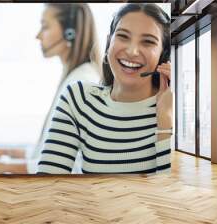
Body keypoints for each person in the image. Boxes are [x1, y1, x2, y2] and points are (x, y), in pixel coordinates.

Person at [0, 3, 101, 174]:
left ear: (69, 32)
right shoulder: (75, 77)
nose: (38, 36)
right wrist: (4, 152)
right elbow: (53, 150)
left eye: (45, 26)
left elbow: (72, 164)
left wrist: (0, 166)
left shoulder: (83, 83)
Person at [37, 3, 172, 174]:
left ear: (163, 55)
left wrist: (166, 123)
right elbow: (48, 180)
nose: (132, 51)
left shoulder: (171, 109)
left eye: (147, 42)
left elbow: (172, 192)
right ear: (109, 42)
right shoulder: (78, 98)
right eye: (123, 36)